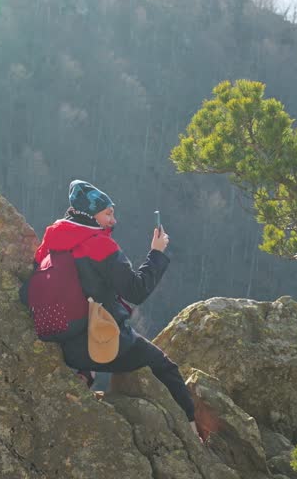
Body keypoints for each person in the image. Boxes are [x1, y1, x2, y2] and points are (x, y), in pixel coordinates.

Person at [22, 180, 199, 438]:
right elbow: (136, 291)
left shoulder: (52, 239)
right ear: (90, 214)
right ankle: (194, 430)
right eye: (108, 213)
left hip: (64, 344)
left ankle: (85, 375)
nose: (113, 220)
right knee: (164, 367)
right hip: (102, 344)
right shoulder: (100, 246)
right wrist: (156, 253)